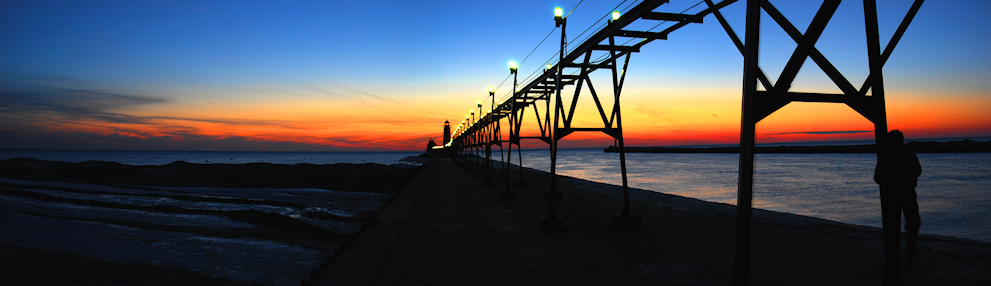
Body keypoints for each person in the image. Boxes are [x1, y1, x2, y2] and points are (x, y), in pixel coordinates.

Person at [874, 130, 922, 285]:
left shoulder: (885, 158)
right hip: (908, 193)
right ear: (902, 141)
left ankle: (894, 255)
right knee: (913, 223)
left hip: (892, 196)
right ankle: (910, 255)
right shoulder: (910, 156)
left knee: (893, 226)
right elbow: (918, 171)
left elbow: (877, 178)